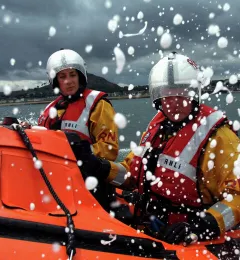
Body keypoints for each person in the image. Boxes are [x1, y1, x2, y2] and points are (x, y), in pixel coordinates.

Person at [84, 52, 240, 245]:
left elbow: (237, 197)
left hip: (189, 238)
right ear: (158, 96)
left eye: (181, 92)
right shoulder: (157, 128)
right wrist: (99, 166)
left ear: (193, 93)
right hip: (152, 228)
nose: (173, 102)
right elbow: (132, 175)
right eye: (167, 93)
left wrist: (200, 227)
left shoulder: (220, 137)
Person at [34, 48, 130, 212]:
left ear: (80, 76)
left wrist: (82, 152)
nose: (68, 81)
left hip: (93, 184)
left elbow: (110, 149)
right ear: (55, 81)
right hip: (62, 184)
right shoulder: (50, 110)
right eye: (62, 76)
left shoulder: (98, 105)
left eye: (72, 75)